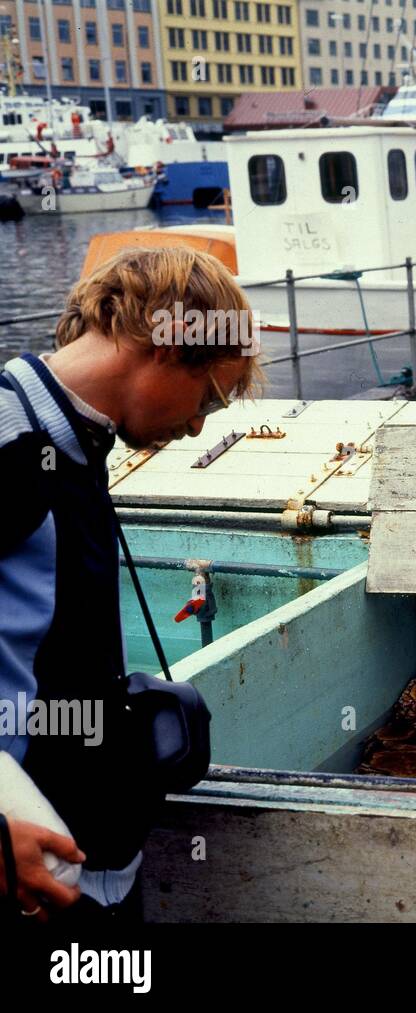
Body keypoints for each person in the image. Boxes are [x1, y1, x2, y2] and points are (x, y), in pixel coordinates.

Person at [0, 247, 261, 923]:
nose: (201, 423)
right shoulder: (11, 444)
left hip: (90, 867)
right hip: (32, 876)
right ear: (167, 349)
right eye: (209, 395)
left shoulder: (74, 441)